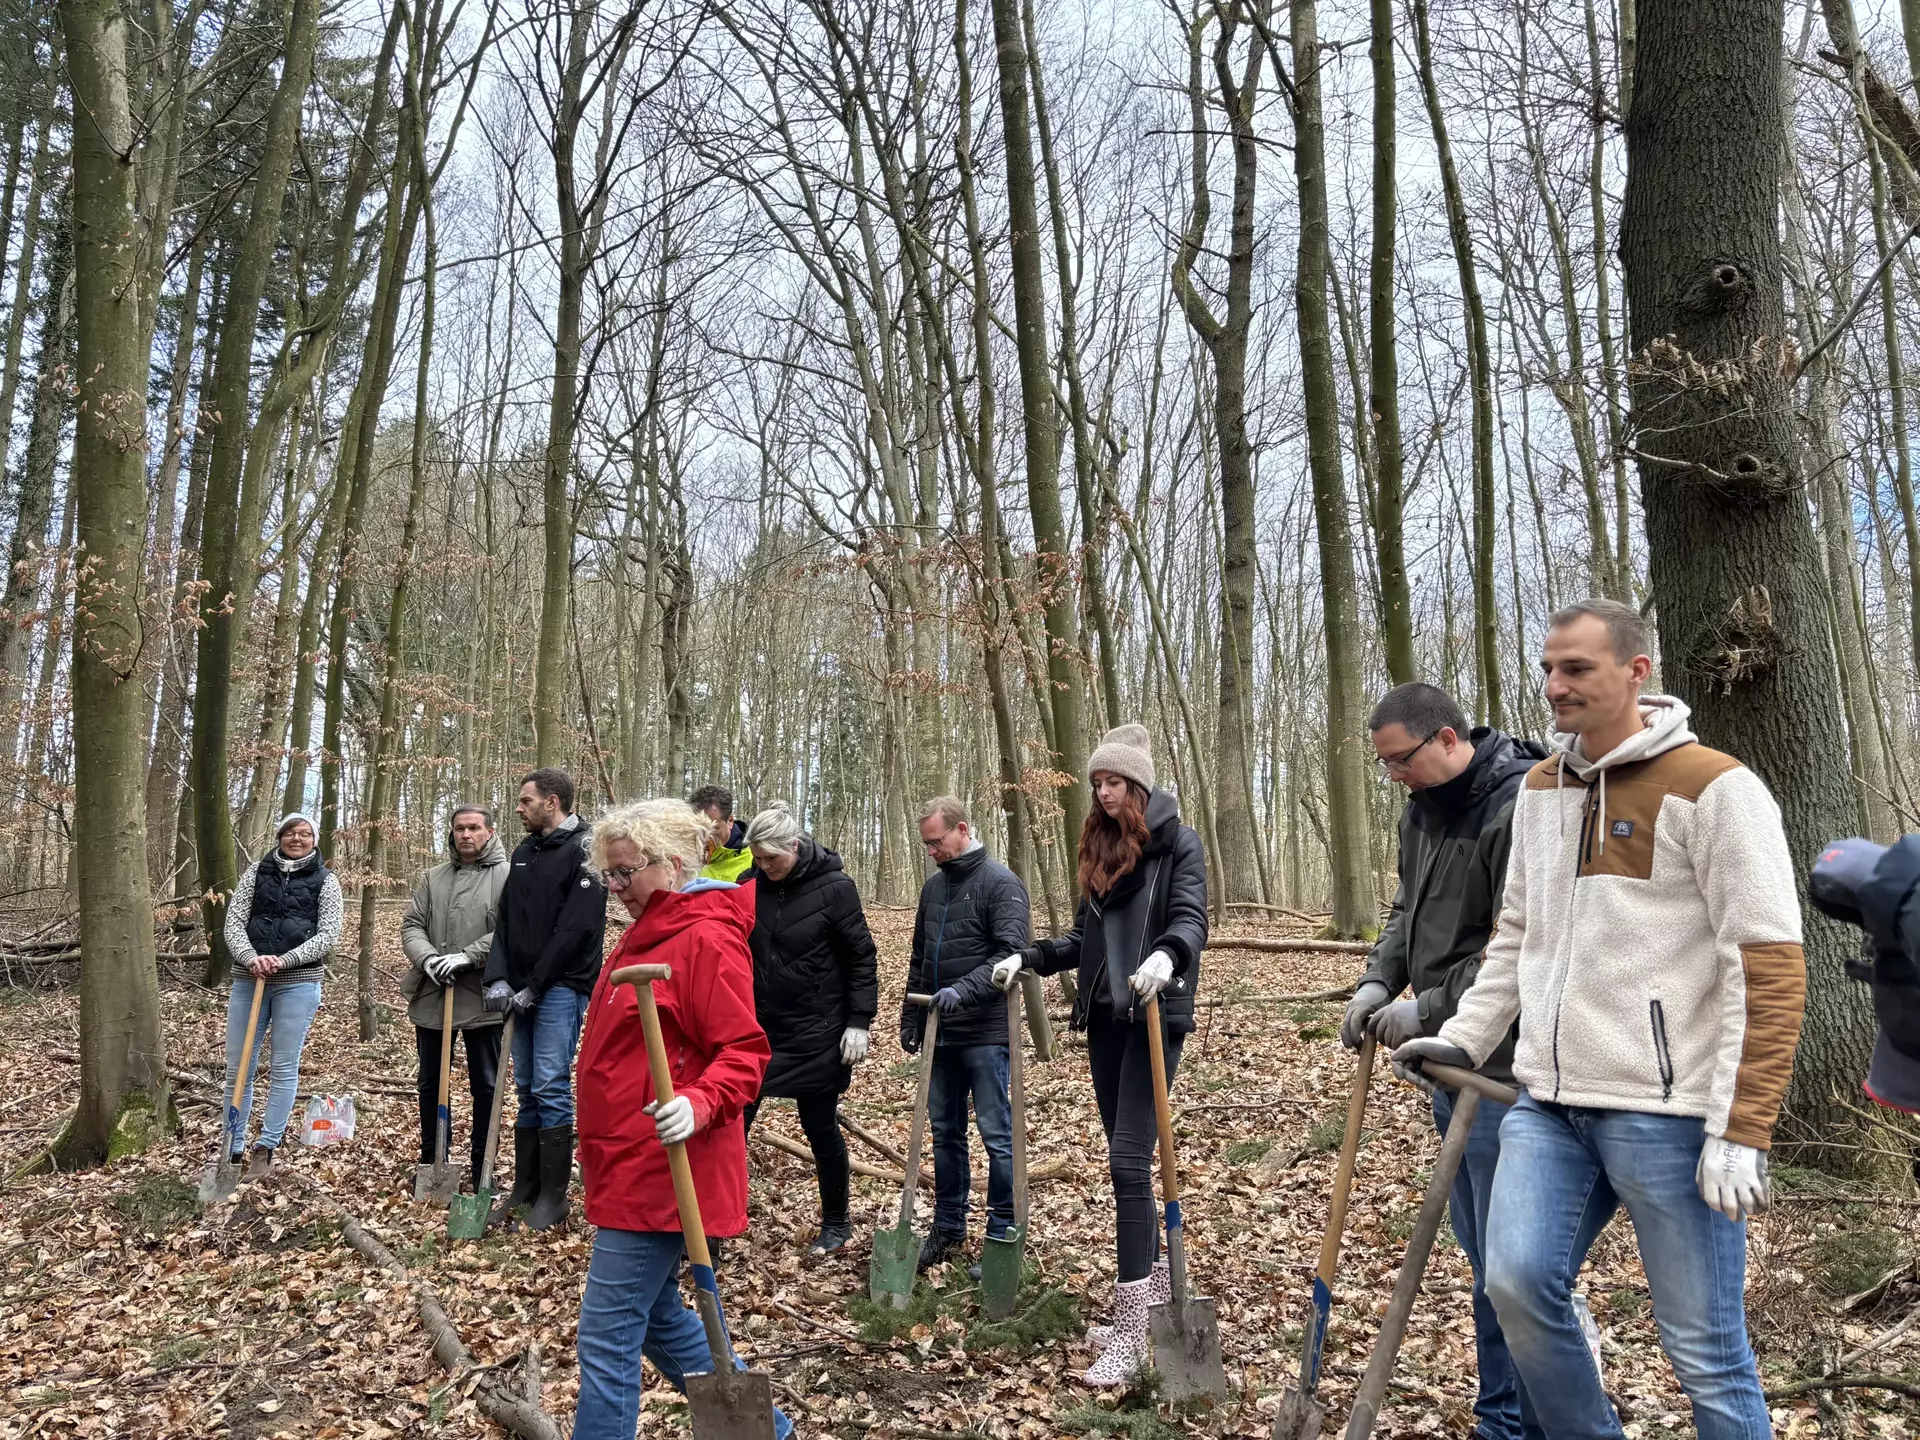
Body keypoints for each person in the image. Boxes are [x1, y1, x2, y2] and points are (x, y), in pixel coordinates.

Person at [1395, 599, 1806, 1440]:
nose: (1555, 685)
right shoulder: (1543, 789)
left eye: (1576, 668)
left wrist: (1743, 1125)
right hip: (1544, 1106)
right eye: (1548, 667)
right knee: (1512, 1286)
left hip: (1669, 1114)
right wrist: (1468, 1036)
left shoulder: (1717, 789)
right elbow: (1517, 937)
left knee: (1706, 1355)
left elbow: (1766, 965)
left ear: (1636, 672)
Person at [1340, 684, 1543, 1440]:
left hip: (1506, 1064)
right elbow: (1405, 910)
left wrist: (1421, 1008)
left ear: (1449, 738)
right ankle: (1510, 1409)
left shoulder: (1520, 806)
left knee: (1508, 1265)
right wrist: (1374, 980)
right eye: (1384, 764)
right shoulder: (1420, 813)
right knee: (1482, 1254)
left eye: (1401, 759)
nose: (1392, 774)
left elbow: (1513, 946)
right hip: (1447, 1060)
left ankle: (1518, 1417)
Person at [990, 723, 1207, 1386]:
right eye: (1096, 783)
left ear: (1138, 783)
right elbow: (1081, 939)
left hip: (1151, 1017)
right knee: (1131, 1162)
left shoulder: (1177, 846)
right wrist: (1026, 957)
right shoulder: (1101, 850)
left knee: (1124, 1164)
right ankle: (1151, 1298)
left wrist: (1169, 956)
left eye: (1113, 781)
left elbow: (1192, 918)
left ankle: (1136, 1328)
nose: (1104, 792)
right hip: (1107, 1022)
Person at [571, 799, 791, 1440]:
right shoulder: (642, 937)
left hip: (666, 1168)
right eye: (608, 877)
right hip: (622, 1159)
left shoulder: (705, 937)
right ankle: (770, 1433)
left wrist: (696, 1102)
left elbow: (744, 1054)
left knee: (606, 1334)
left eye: (624, 874)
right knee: (660, 1313)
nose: (615, 890)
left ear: (668, 865)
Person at [740, 801, 880, 1255]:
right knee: (732, 1124)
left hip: (818, 1030)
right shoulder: (748, 886)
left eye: (772, 859)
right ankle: (714, 1224)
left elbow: (861, 957)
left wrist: (859, 1022)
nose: (764, 867)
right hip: (757, 1029)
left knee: (819, 1126)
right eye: (757, 859)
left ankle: (837, 1223)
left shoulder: (836, 888)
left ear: (795, 848)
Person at [898, 795, 1030, 1273]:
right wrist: (910, 1019)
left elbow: (1011, 954)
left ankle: (1002, 1230)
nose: (932, 850)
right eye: (927, 845)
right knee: (945, 1133)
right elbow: (920, 956)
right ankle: (949, 1226)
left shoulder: (1001, 884)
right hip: (940, 1029)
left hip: (986, 1031)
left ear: (962, 829)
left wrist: (964, 989)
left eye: (937, 842)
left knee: (997, 1134)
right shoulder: (933, 889)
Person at [482, 769, 608, 1231]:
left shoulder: (587, 852)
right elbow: (507, 922)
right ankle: (526, 1188)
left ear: (551, 802)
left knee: (551, 1085)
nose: (519, 807)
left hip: (560, 988)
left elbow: (575, 930)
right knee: (527, 1087)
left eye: (525, 800)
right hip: (519, 990)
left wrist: (535, 986)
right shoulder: (523, 853)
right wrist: (498, 979)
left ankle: (553, 1199)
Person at [219, 813, 344, 1177]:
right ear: (279, 837)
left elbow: (328, 934)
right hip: (249, 978)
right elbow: (234, 922)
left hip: (298, 981)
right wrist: (250, 957)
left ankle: (267, 1146)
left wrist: (284, 960)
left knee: (284, 1067)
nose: (297, 838)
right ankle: (233, 1145)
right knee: (238, 1067)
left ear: (314, 839)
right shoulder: (256, 872)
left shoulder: (326, 880)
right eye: (290, 832)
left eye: (304, 833)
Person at [399, 804, 509, 1189]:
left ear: (490, 832)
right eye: (460, 828)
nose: (466, 835)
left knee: (486, 1084)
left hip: (483, 996)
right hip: (434, 994)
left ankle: (483, 1165)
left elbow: (512, 930)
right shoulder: (434, 877)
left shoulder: (508, 875)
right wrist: (428, 958)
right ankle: (432, 1160)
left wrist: (467, 955)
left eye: (474, 828)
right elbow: (412, 924)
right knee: (430, 1081)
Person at [691, 784, 752, 883]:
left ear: (730, 821)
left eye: (714, 828)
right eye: (699, 829)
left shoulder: (753, 861)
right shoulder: (684, 856)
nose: (705, 837)